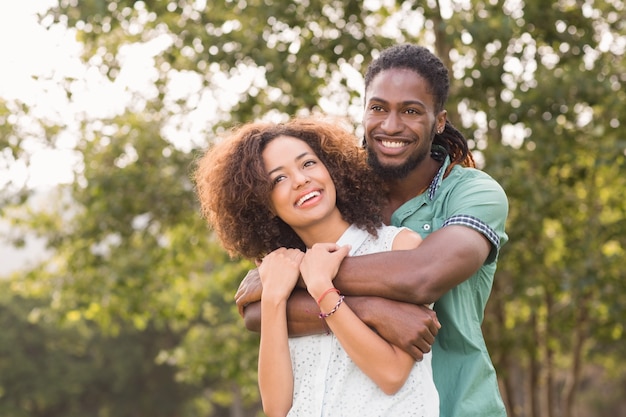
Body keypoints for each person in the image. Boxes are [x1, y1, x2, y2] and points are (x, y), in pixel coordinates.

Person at [235, 44, 509, 417]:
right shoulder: (337, 189)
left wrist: (296, 275)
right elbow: (258, 316)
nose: (391, 125)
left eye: (411, 111)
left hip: (459, 404)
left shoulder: (474, 193)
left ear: (439, 121)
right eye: (378, 108)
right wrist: (372, 310)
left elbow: (421, 275)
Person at [194, 117, 439, 416]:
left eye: (308, 164)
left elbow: (391, 375)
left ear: (331, 169)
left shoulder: (399, 247)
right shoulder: (281, 274)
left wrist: (323, 289)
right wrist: (273, 297)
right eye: (278, 179)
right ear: (263, 203)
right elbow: (277, 408)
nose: (299, 180)